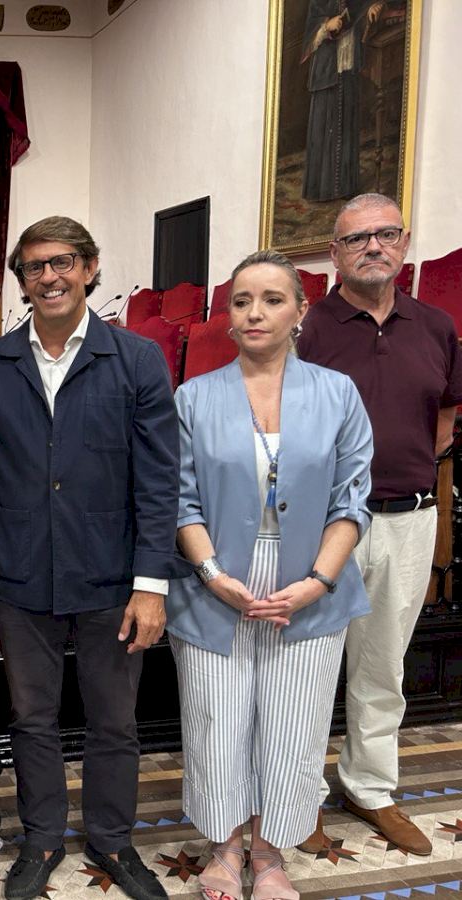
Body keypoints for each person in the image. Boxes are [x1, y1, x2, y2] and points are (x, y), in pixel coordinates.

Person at [0, 216, 184, 900]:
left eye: (63, 262)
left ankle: (112, 839)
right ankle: (41, 839)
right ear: (22, 281)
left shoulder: (138, 359)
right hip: (21, 572)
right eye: (35, 267)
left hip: (112, 575)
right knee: (31, 718)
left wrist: (151, 584)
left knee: (114, 721)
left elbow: (160, 481)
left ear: (90, 268)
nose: (50, 276)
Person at [168, 249, 373, 900]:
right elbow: (181, 501)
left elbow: (351, 502)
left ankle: (270, 851)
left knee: (293, 726)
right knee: (218, 722)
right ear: (228, 316)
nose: (255, 312)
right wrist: (211, 574)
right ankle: (226, 847)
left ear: (300, 311)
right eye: (241, 300)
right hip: (215, 580)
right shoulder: (194, 397)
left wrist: (317, 582)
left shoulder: (338, 393)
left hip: (311, 581)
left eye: (272, 299)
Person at [297, 193, 462, 856]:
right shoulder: (308, 328)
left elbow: (444, 419)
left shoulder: (435, 326)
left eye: (386, 234)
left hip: (408, 520)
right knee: (309, 668)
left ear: (404, 242)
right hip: (324, 523)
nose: (373, 246)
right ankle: (299, 794)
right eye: (357, 238)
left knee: (383, 666)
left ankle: (368, 787)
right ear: (334, 254)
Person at [300, 1, 385, 202]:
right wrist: (326, 25)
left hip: (349, 62)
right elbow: (311, 28)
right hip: (327, 67)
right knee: (324, 125)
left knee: (348, 124)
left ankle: (346, 187)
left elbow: (360, 10)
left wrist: (371, 8)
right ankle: (320, 190)